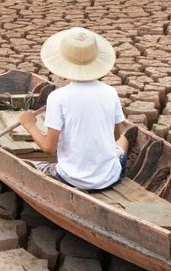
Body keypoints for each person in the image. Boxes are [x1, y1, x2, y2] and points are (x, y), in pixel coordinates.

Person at [19, 27, 129, 191]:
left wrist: (30, 125)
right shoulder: (110, 92)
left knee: (31, 164)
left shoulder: (58, 97)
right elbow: (116, 136)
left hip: (71, 180)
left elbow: (49, 149)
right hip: (110, 177)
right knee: (124, 140)